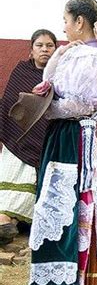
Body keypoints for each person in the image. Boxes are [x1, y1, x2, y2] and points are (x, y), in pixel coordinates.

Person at [28, 0, 97, 285]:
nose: (63, 25)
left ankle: (78, 280)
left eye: (65, 19)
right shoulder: (79, 54)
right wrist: (57, 60)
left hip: (80, 138)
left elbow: (81, 103)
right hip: (72, 136)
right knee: (66, 206)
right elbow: (56, 89)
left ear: (80, 21)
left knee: (77, 206)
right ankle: (73, 279)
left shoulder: (90, 57)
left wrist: (45, 109)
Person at [0, 29, 57, 245]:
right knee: (14, 172)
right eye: (39, 46)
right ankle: (7, 219)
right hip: (16, 141)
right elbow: (10, 106)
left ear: (55, 49)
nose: (44, 50)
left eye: (49, 46)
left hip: (47, 141)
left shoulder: (59, 76)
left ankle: (16, 221)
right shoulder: (21, 71)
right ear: (31, 51)